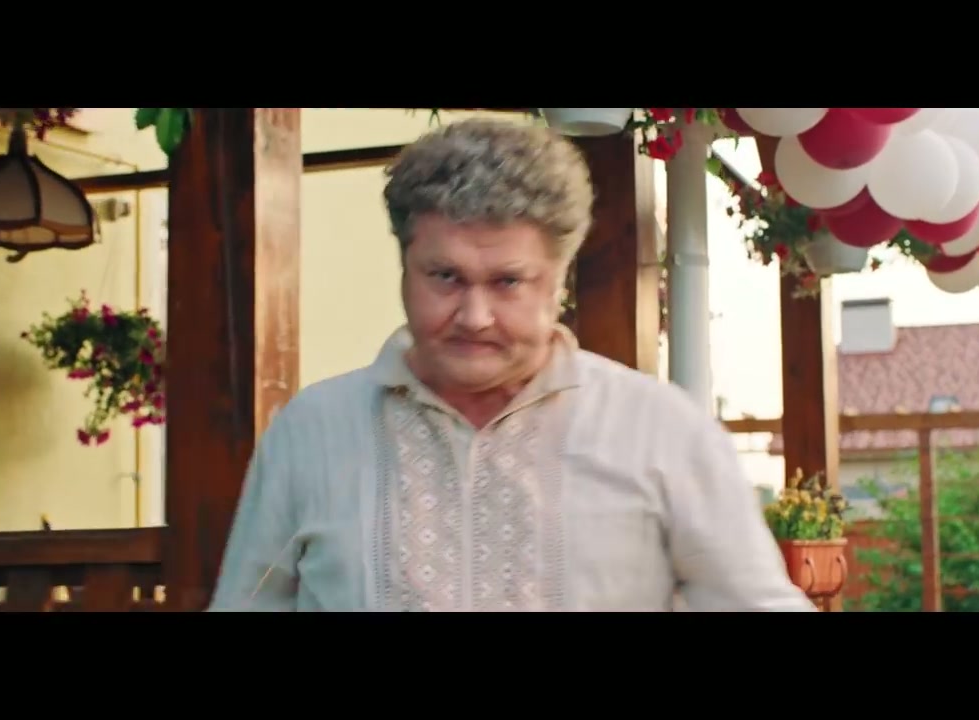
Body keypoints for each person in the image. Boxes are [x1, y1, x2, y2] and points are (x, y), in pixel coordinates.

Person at [208, 117, 815, 612]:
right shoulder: (311, 433)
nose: (475, 316)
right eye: (445, 276)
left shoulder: (660, 431)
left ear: (558, 280)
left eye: (507, 282)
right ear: (405, 267)